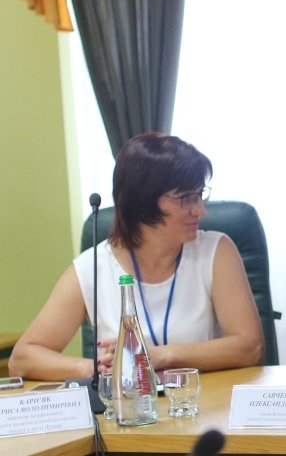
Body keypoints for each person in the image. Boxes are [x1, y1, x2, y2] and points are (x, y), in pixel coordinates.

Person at [9, 132, 264, 380]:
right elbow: (22, 359)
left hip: (202, 402)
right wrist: (94, 369)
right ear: (143, 201)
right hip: (127, 405)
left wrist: (161, 356)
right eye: (186, 198)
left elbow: (250, 347)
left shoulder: (216, 251)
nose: (200, 210)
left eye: (200, 195)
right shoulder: (93, 267)